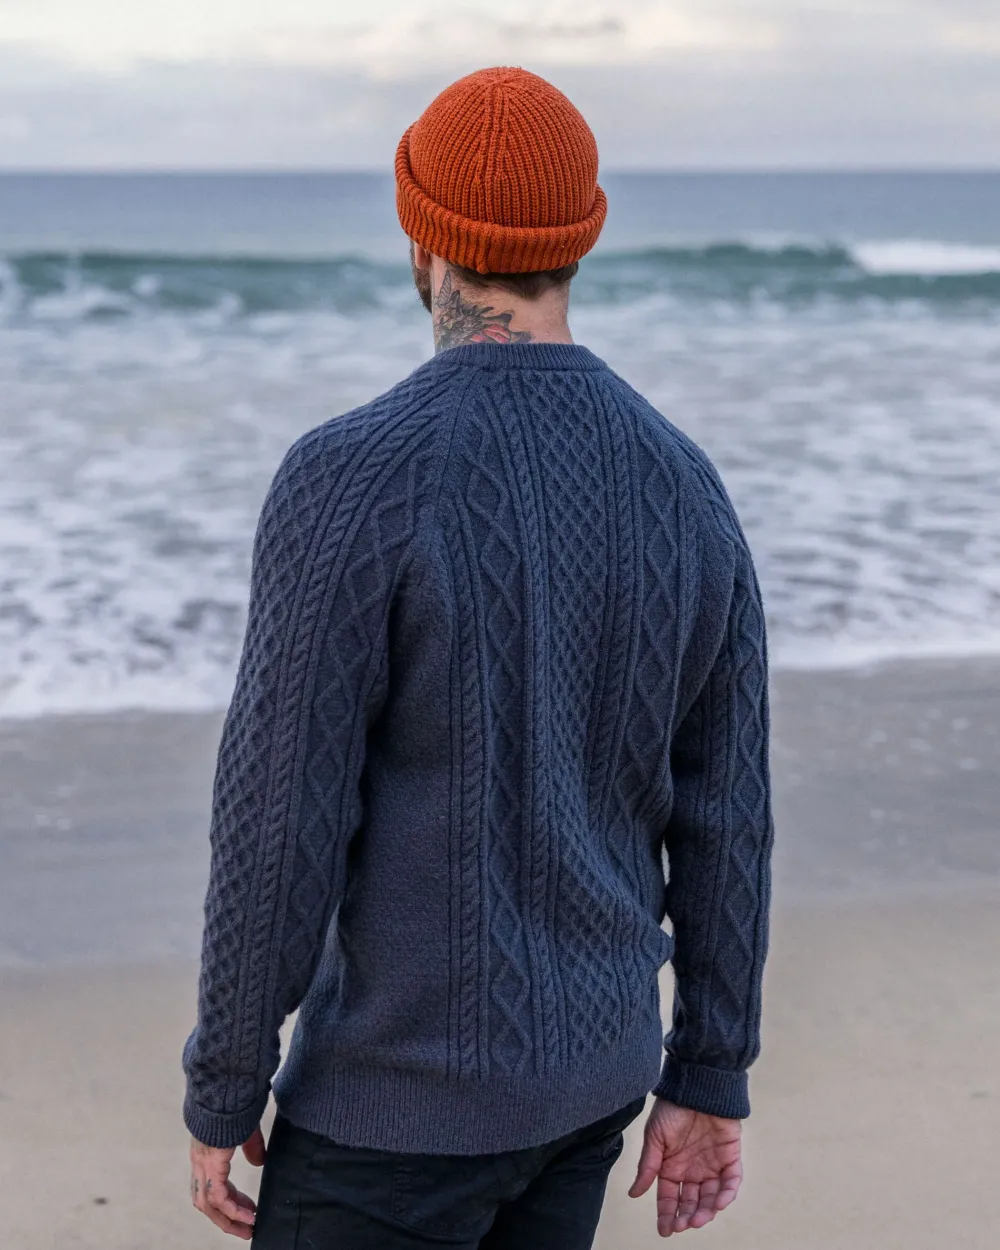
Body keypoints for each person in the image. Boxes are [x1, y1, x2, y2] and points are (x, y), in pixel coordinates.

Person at [183, 66, 774, 1249]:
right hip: (588, 1086)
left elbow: (279, 812)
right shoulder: (684, 483)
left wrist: (225, 1078)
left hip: (393, 1108)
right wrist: (709, 1069)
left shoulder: (350, 475)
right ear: (582, 235)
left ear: (422, 234)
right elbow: (727, 812)